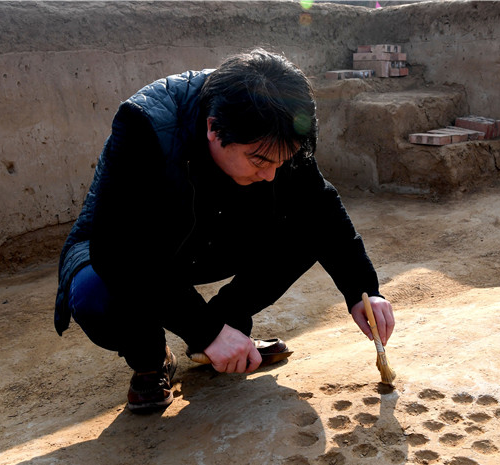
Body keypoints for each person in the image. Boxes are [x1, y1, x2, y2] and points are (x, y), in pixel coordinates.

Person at [54, 48, 394, 413]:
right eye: (260, 161)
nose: (270, 174)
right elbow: (116, 250)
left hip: (212, 238)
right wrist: (204, 329)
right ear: (214, 128)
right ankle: (152, 359)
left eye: (283, 161)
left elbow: (320, 209)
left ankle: (227, 335)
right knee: (96, 296)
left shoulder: (274, 125)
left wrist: (364, 292)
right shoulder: (144, 124)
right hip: (136, 248)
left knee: (306, 230)